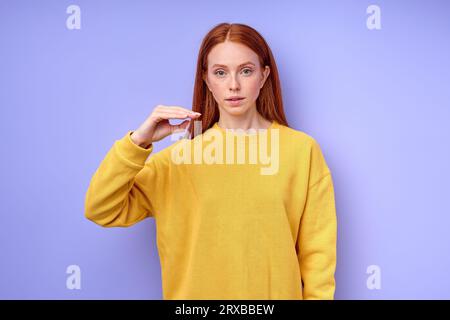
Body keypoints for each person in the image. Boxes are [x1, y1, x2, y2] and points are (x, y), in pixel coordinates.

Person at [84, 22, 337, 300]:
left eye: (246, 71)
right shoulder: (177, 160)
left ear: (264, 76)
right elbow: (100, 208)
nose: (234, 85)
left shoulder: (301, 151)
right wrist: (138, 142)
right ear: (206, 79)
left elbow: (318, 258)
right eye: (220, 72)